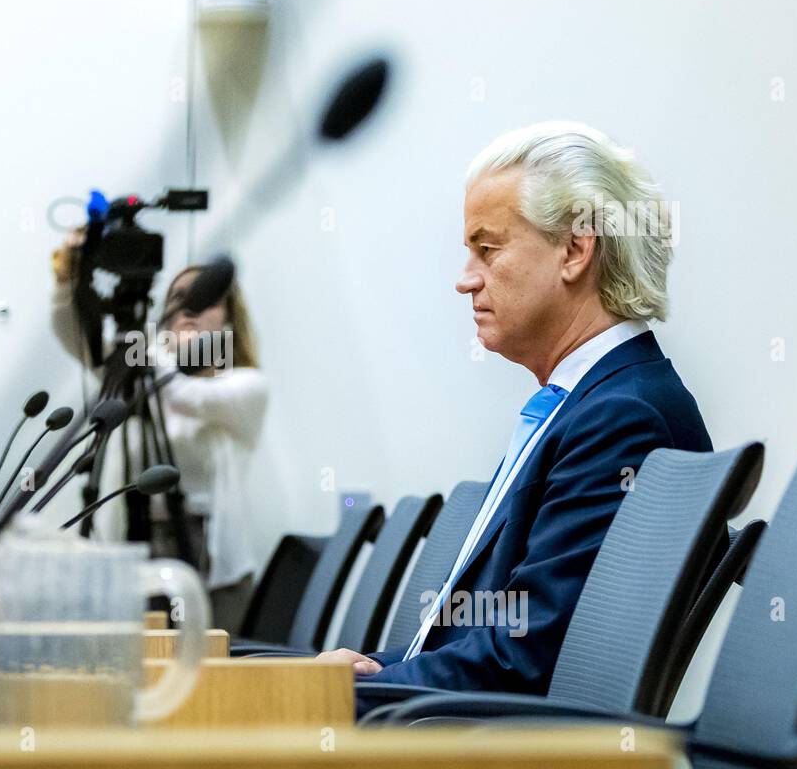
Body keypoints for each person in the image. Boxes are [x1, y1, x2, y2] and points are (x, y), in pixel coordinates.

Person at [317, 122, 711, 716]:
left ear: (576, 250)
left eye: (487, 247)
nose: (465, 277)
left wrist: (349, 693)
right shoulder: (590, 402)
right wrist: (378, 671)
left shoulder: (621, 418)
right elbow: (498, 645)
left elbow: (525, 661)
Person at [51, 233, 268, 629]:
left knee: (208, 674)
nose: (189, 307)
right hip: (138, 538)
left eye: (205, 297)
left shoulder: (246, 385)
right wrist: (68, 282)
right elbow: (81, 342)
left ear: (230, 315)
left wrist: (139, 343)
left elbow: (187, 394)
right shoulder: (149, 372)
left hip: (210, 556)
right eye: (178, 297)